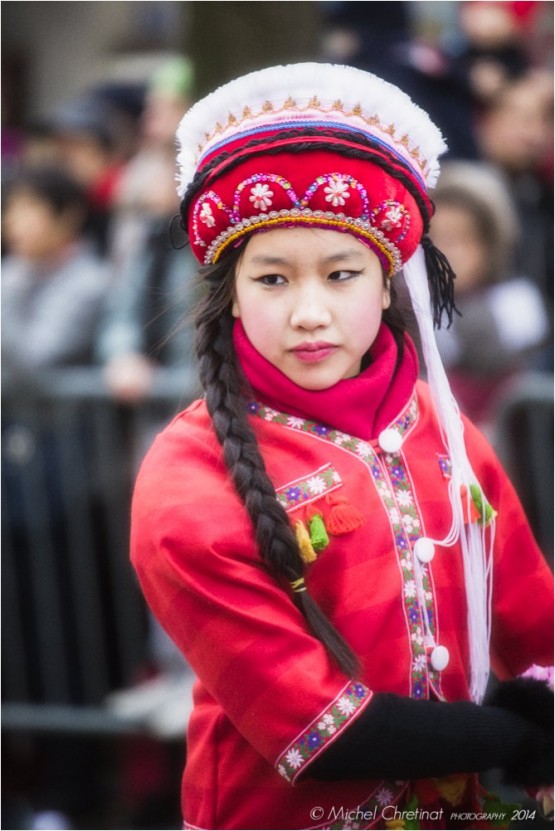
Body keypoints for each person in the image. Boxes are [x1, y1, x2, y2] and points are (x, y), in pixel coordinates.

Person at [130, 63, 553, 830]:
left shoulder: (445, 429)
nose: (309, 311)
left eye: (340, 272)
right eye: (272, 279)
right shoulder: (185, 479)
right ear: (230, 291)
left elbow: (533, 620)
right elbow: (315, 729)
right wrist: (523, 735)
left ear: (388, 283)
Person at [430, 160, 550, 433]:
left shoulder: (515, 307)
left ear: (492, 243)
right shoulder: (414, 308)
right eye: (434, 240)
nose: (445, 254)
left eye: (458, 240)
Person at [2, 166, 111, 382]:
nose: (10, 221)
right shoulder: (13, 271)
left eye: (29, 207)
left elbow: (36, 358)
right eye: (10, 208)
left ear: (68, 216)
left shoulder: (90, 283)